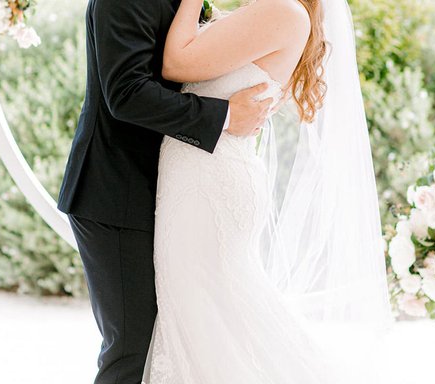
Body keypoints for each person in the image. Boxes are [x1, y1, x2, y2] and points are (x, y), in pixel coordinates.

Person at [143, 0, 393, 382]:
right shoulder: (270, 10)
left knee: (207, 329)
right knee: (209, 327)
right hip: (202, 180)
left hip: (207, 186)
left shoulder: (282, 12)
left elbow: (176, 64)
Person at [57, 0, 272, 381]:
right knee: (133, 352)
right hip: (118, 193)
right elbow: (126, 93)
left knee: (174, 341)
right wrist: (224, 115)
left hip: (169, 195)